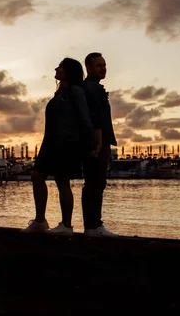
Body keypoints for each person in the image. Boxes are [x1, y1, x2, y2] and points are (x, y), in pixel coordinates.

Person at [21, 58, 96, 234]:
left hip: (66, 143)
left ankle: (66, 225)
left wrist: (91, 144)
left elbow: (85, 118)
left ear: (69, 71)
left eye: (61, 67)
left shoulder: (76, 91)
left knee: (62, 181)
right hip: (51, 142)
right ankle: (40, 220)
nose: (56, 68)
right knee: (36, 175)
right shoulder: (61, 91)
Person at [81, 52, 118, 237]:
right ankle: (93, 226)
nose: (103, 68)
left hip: (98, 141)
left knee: (94, 183)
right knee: (95, 183)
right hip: (98, 142)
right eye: (98, 65)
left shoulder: (91, 88)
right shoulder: (92, 89)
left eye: (104, 65)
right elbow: (96, 118)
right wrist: (99, 142)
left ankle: (92, 225)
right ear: (88, 67)